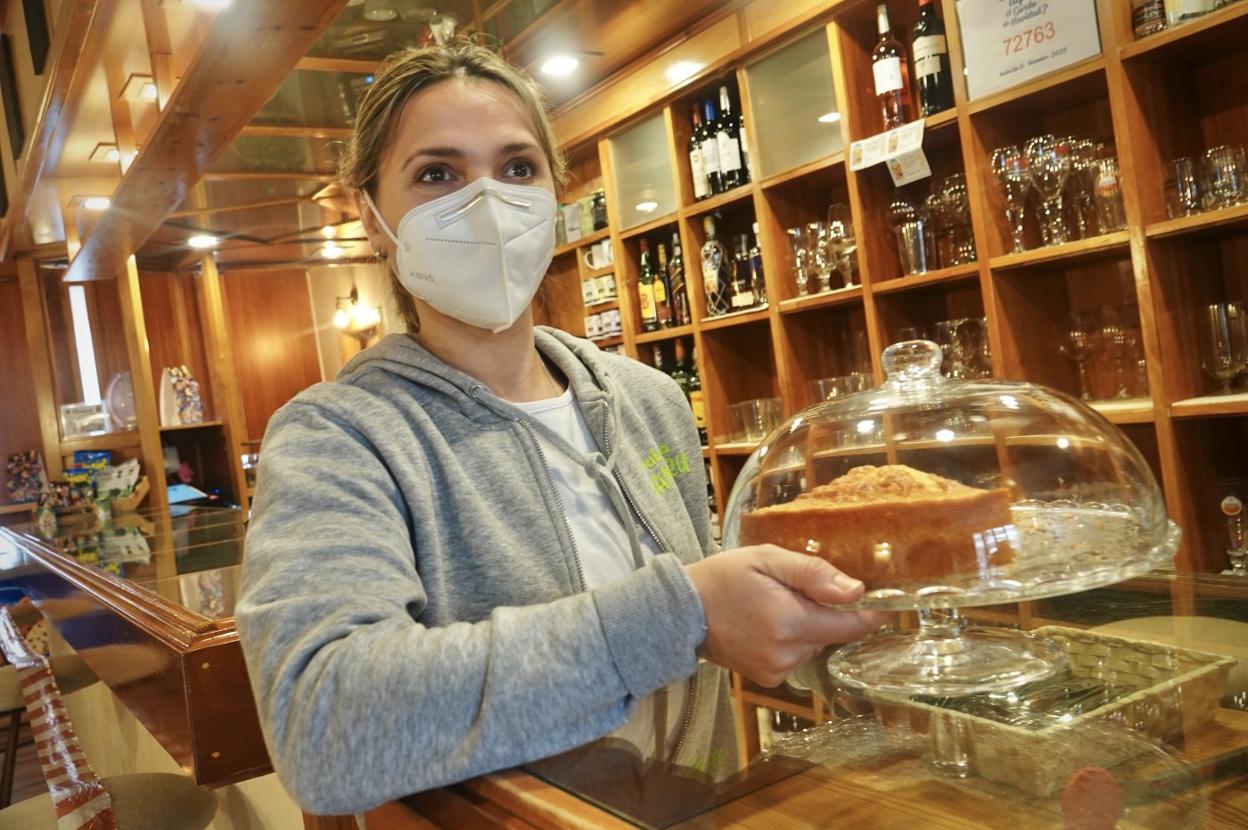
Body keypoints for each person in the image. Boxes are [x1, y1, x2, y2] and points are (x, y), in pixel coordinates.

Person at [235, 39, 885, 816]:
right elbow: (323, 725)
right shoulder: (339, 436)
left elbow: (731, 624)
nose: (487, 201)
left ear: (553, 192)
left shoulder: (648, 400)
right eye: (437, 173)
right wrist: (683, 614)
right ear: (372, 219)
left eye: (517, 168)